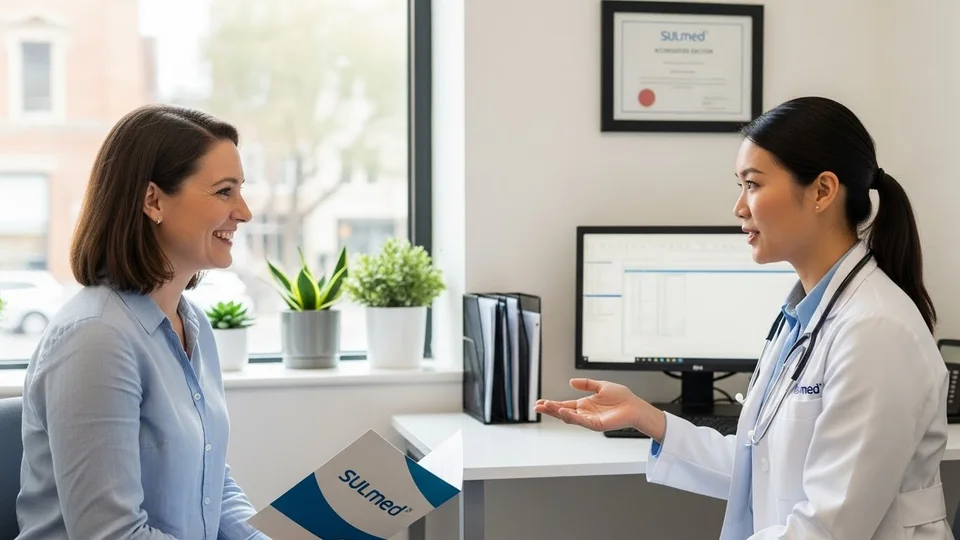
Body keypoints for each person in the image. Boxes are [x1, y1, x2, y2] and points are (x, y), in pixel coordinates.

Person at [536, 97, 950, 539]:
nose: (739, 207)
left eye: (752, 184)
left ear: (823, 192)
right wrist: (645, 416)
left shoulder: (875, 331)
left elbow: (830, 528)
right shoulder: (804, 317)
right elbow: (761, 464)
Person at [16, 104, 269, 539]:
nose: (243, 212)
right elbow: (111, 535)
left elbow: (211, 485)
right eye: (224, 192)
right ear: (153, 200)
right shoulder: (96, 339)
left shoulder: (192, 324)